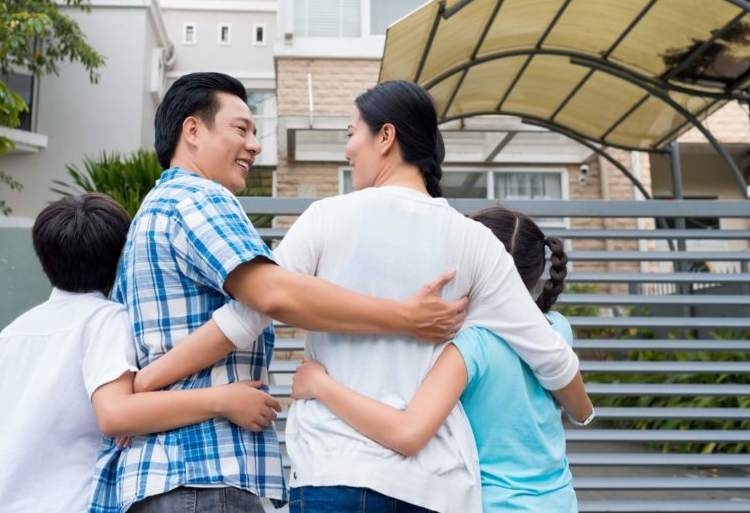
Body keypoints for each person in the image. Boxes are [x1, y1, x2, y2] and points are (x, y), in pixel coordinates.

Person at [133, 79, 592, 512]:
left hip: (334, 468)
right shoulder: (474, 241)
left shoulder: (326, 218)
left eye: (353, 133)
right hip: (432, 483)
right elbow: (551, 358)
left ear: (385, 136)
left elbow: (243, 318)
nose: (348, 148)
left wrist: (147, 381)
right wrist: (581, 413)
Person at [90, 73, 468, 513]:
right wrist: (404, 316)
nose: (254, 145)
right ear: (192, 131)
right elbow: (272, 294)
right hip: (204, 473)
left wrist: (147, 384)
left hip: (157, 477)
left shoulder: (148, 215)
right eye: (241, 129)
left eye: (255, 132)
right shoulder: (199, 199)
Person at [0, 193, 283, 512]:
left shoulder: (12, 333)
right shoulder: (106, 320)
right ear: (124, 257)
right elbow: (116, 414)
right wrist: (223, 400)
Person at [292, 207, 586, 512]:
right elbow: (578, 409)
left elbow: (407, 433)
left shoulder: (472, 345)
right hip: (560, 501)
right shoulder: (556, 328)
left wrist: (319, 385)